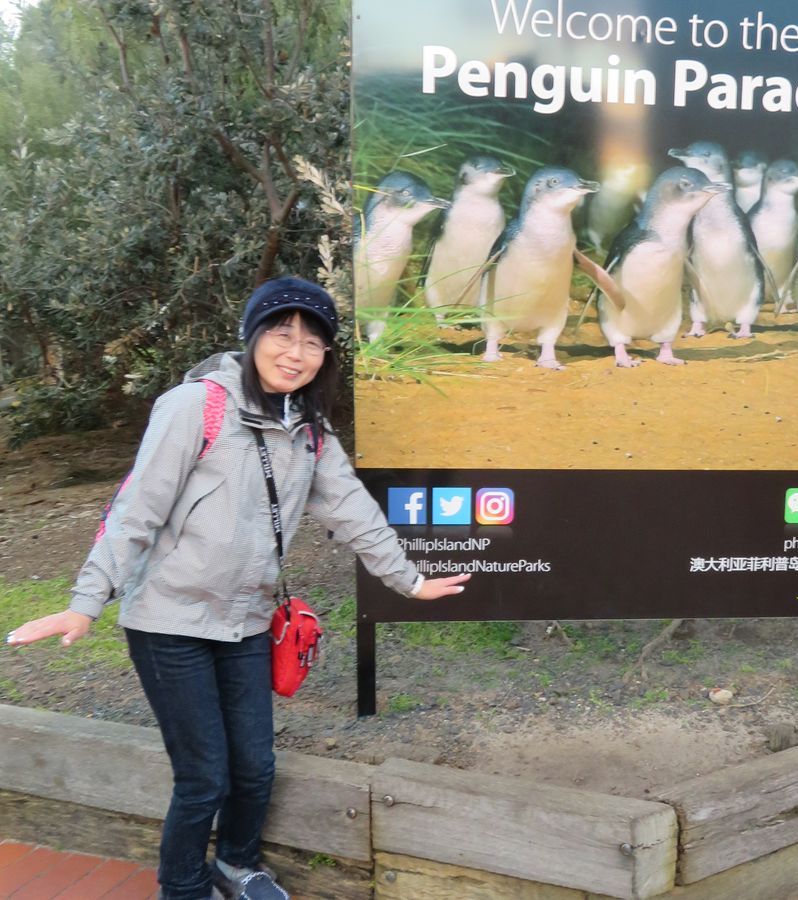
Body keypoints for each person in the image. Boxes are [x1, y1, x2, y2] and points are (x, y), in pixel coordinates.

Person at [6, 276, 470, 900]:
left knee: (254, 766)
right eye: (281, 334)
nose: (296, 353)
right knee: (204, 777)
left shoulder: (310, 429)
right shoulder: (195, 406)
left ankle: (236, 864)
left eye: (313, 342)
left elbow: (353, 510)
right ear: (251, 338)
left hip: (246, 620)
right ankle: (183, 887)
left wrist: (409, 580)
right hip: (168, 622)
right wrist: (86, 603)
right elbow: (136, 511)